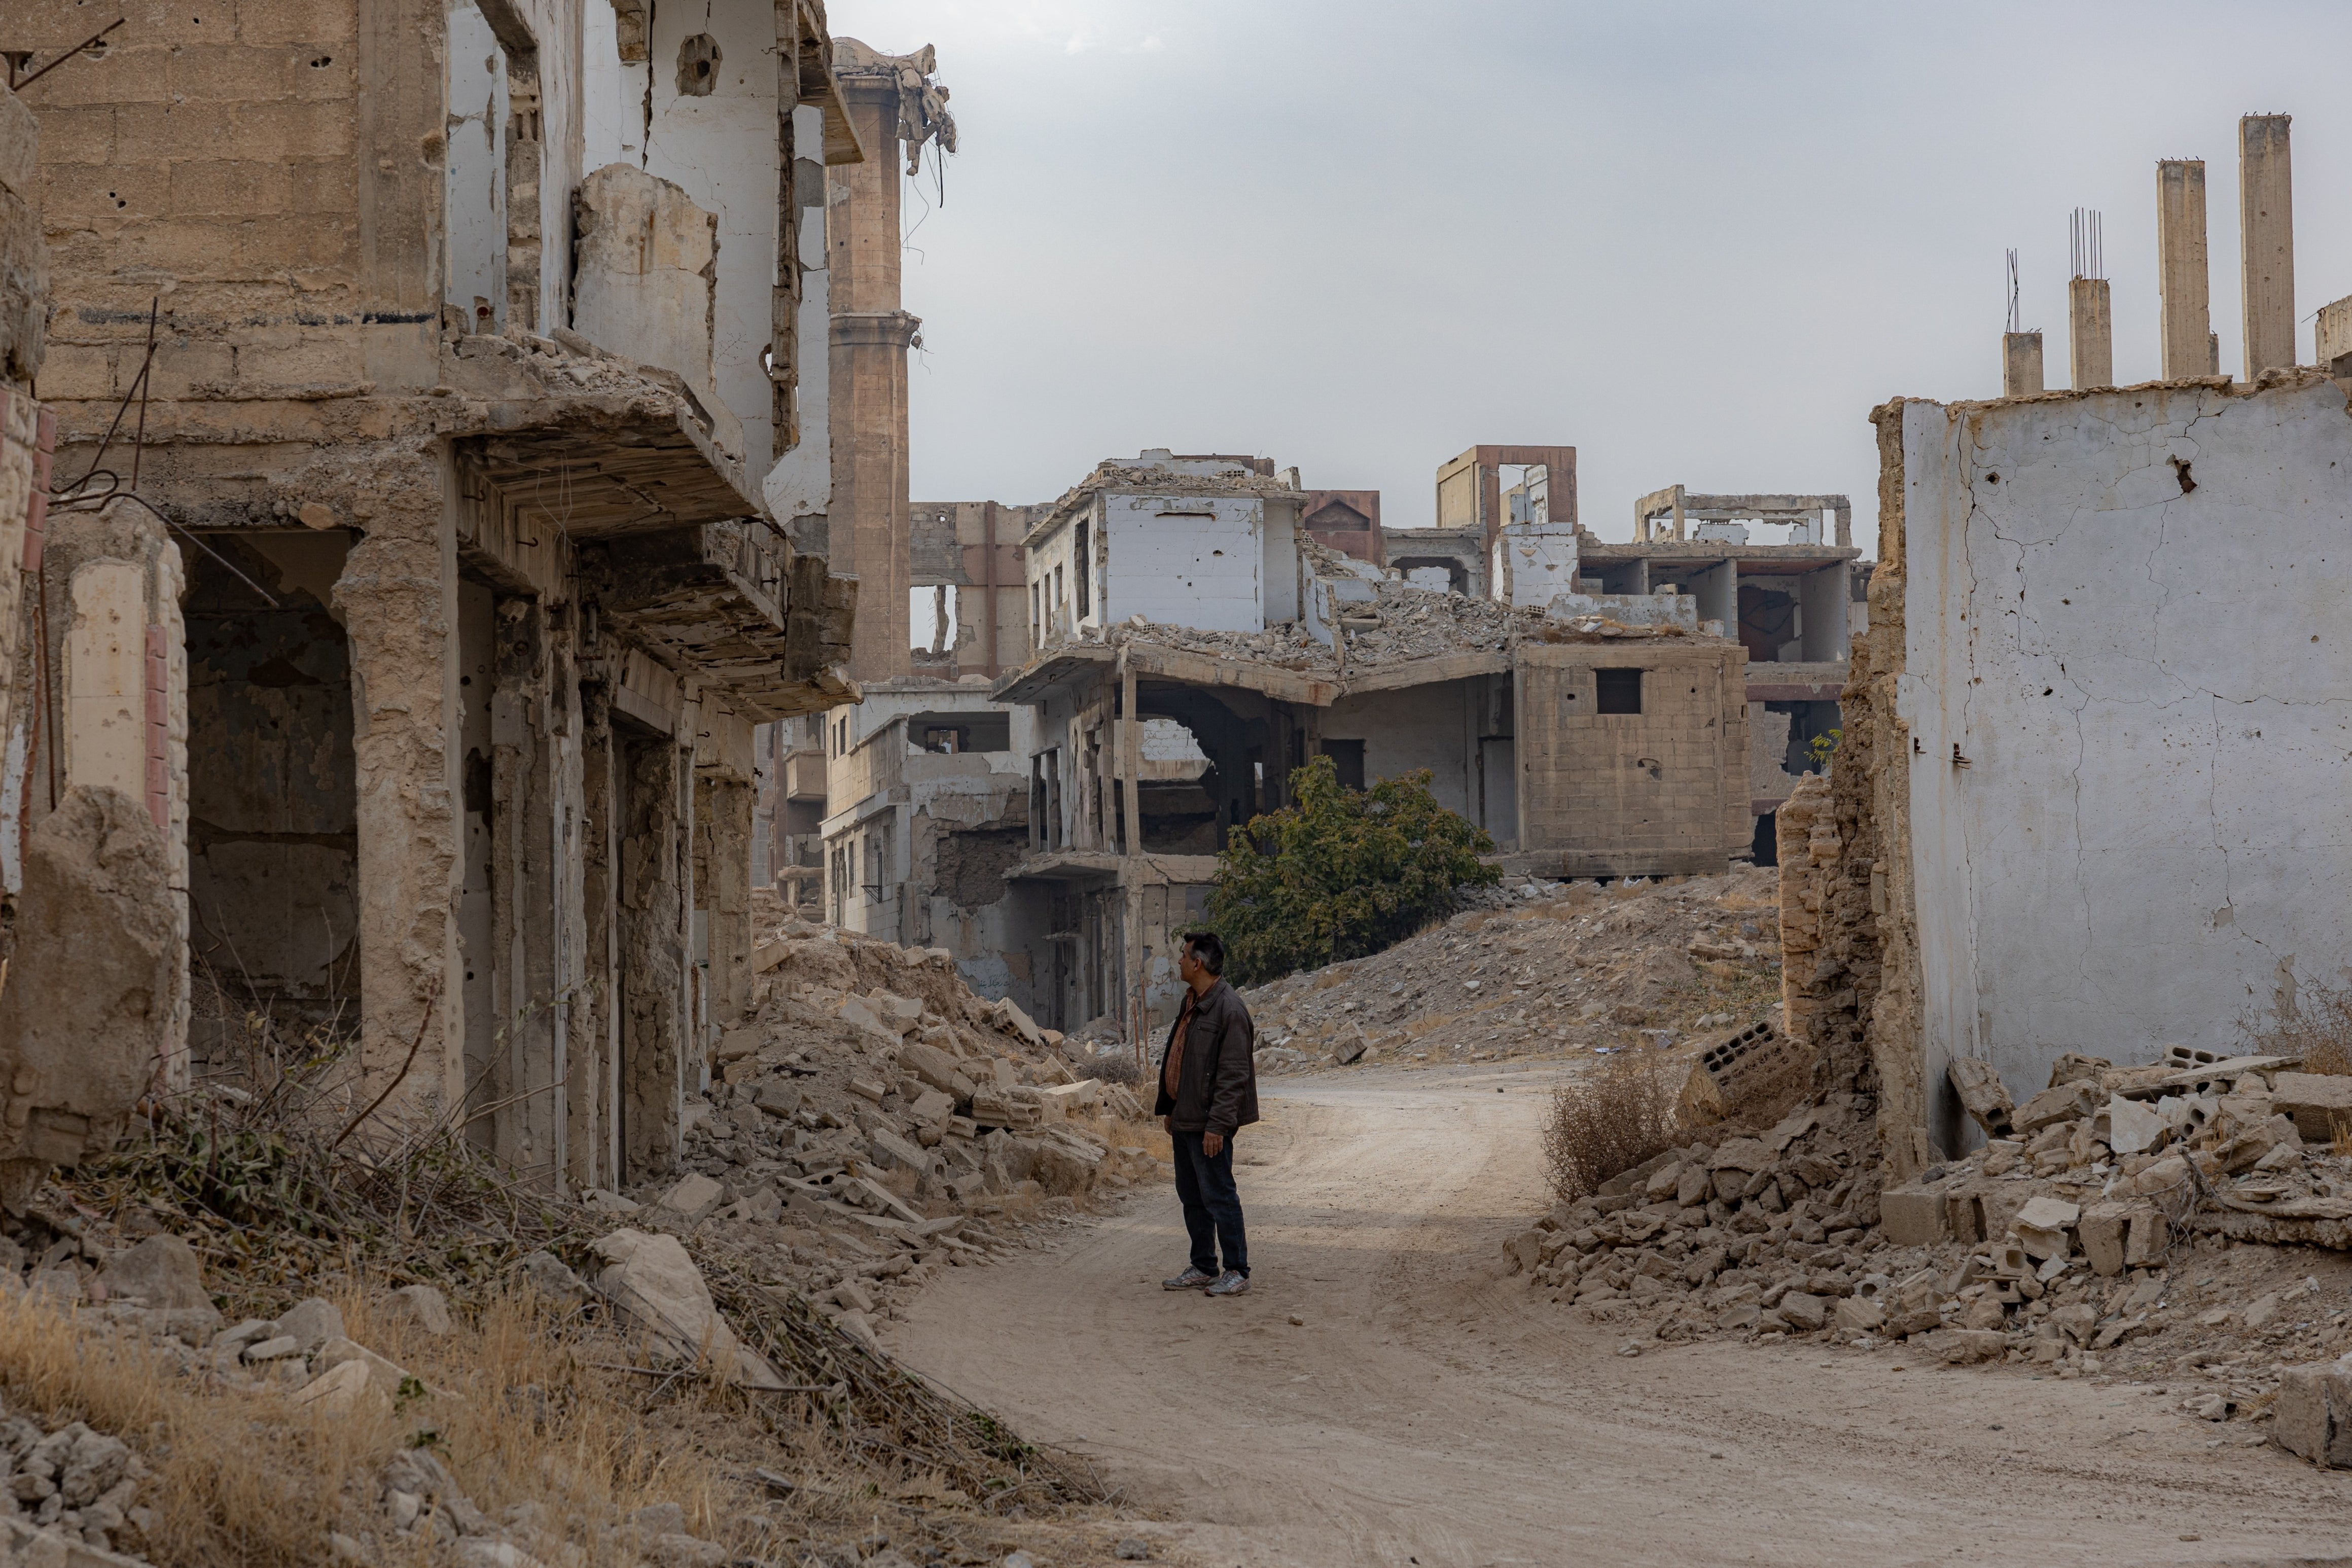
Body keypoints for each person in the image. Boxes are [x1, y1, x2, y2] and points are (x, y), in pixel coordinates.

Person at [1153, 930, 1258, 1297]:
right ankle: (1203, 1266)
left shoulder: (1229, 1009)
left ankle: (1237, 1270)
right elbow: (1181, 1057)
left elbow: (1233, 1077)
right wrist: (1172, 1107)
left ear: (1197, 963)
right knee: (1192, 1196)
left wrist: (1218, 1126)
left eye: (1184, 956)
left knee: (1219, 1195)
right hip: (1187, 1117)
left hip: (1209, 1124)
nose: (1179, 961)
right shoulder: (1193, 1002)